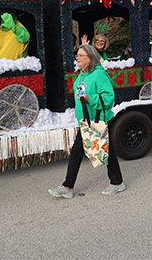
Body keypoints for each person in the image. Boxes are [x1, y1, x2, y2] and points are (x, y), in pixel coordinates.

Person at [48, 44, 124, 199]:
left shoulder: (99, 74)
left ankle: (68, 187)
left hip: (98, 120)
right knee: (100, 151)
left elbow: (109, 98)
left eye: (80, 55)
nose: (77, 58)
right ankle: (115, 182)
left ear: (90, 58)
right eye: (77, 55)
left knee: (90, 152)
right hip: (85, 122)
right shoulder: (82, 74)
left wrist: (90, 98)